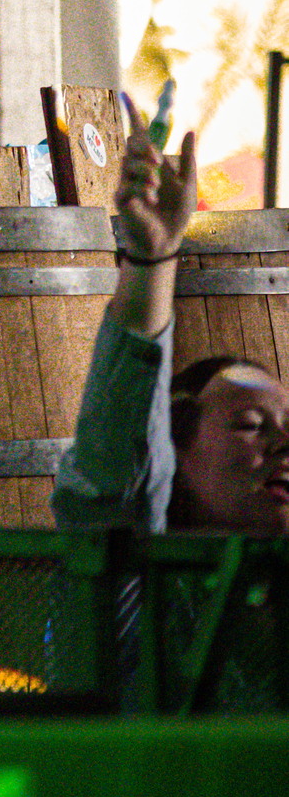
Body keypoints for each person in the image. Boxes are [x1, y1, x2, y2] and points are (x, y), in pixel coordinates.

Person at [52, 106, 289, 533]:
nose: (283, 444)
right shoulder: (148, 589)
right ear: (172, 458)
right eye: (250, 425)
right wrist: (152, 260)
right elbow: (117, 471)